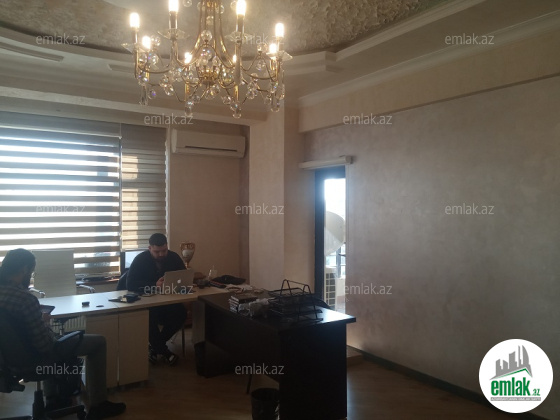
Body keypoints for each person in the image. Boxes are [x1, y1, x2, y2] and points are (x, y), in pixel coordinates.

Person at [0, 248, 126, 420]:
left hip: (6, 362)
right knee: (98, 342)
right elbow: (45, 346)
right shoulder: (25, 299)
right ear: (24, 269)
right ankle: (99, 405)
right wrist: (43, 322)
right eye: (31, 272)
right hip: (34, 361)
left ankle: (53, 399)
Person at [126, 233, 187, 365]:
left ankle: (155, 347)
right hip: (148, 303)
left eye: (164, 250)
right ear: (149, 248)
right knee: (148, 316)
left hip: (168, 301)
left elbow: (184, 276)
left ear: (167, 246)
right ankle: (164, 351)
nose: (161, 254)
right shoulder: (140, 259)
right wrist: (154, 285)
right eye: (157, 251)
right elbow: (130, 284)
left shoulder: (173, 257)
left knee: (181, 313)